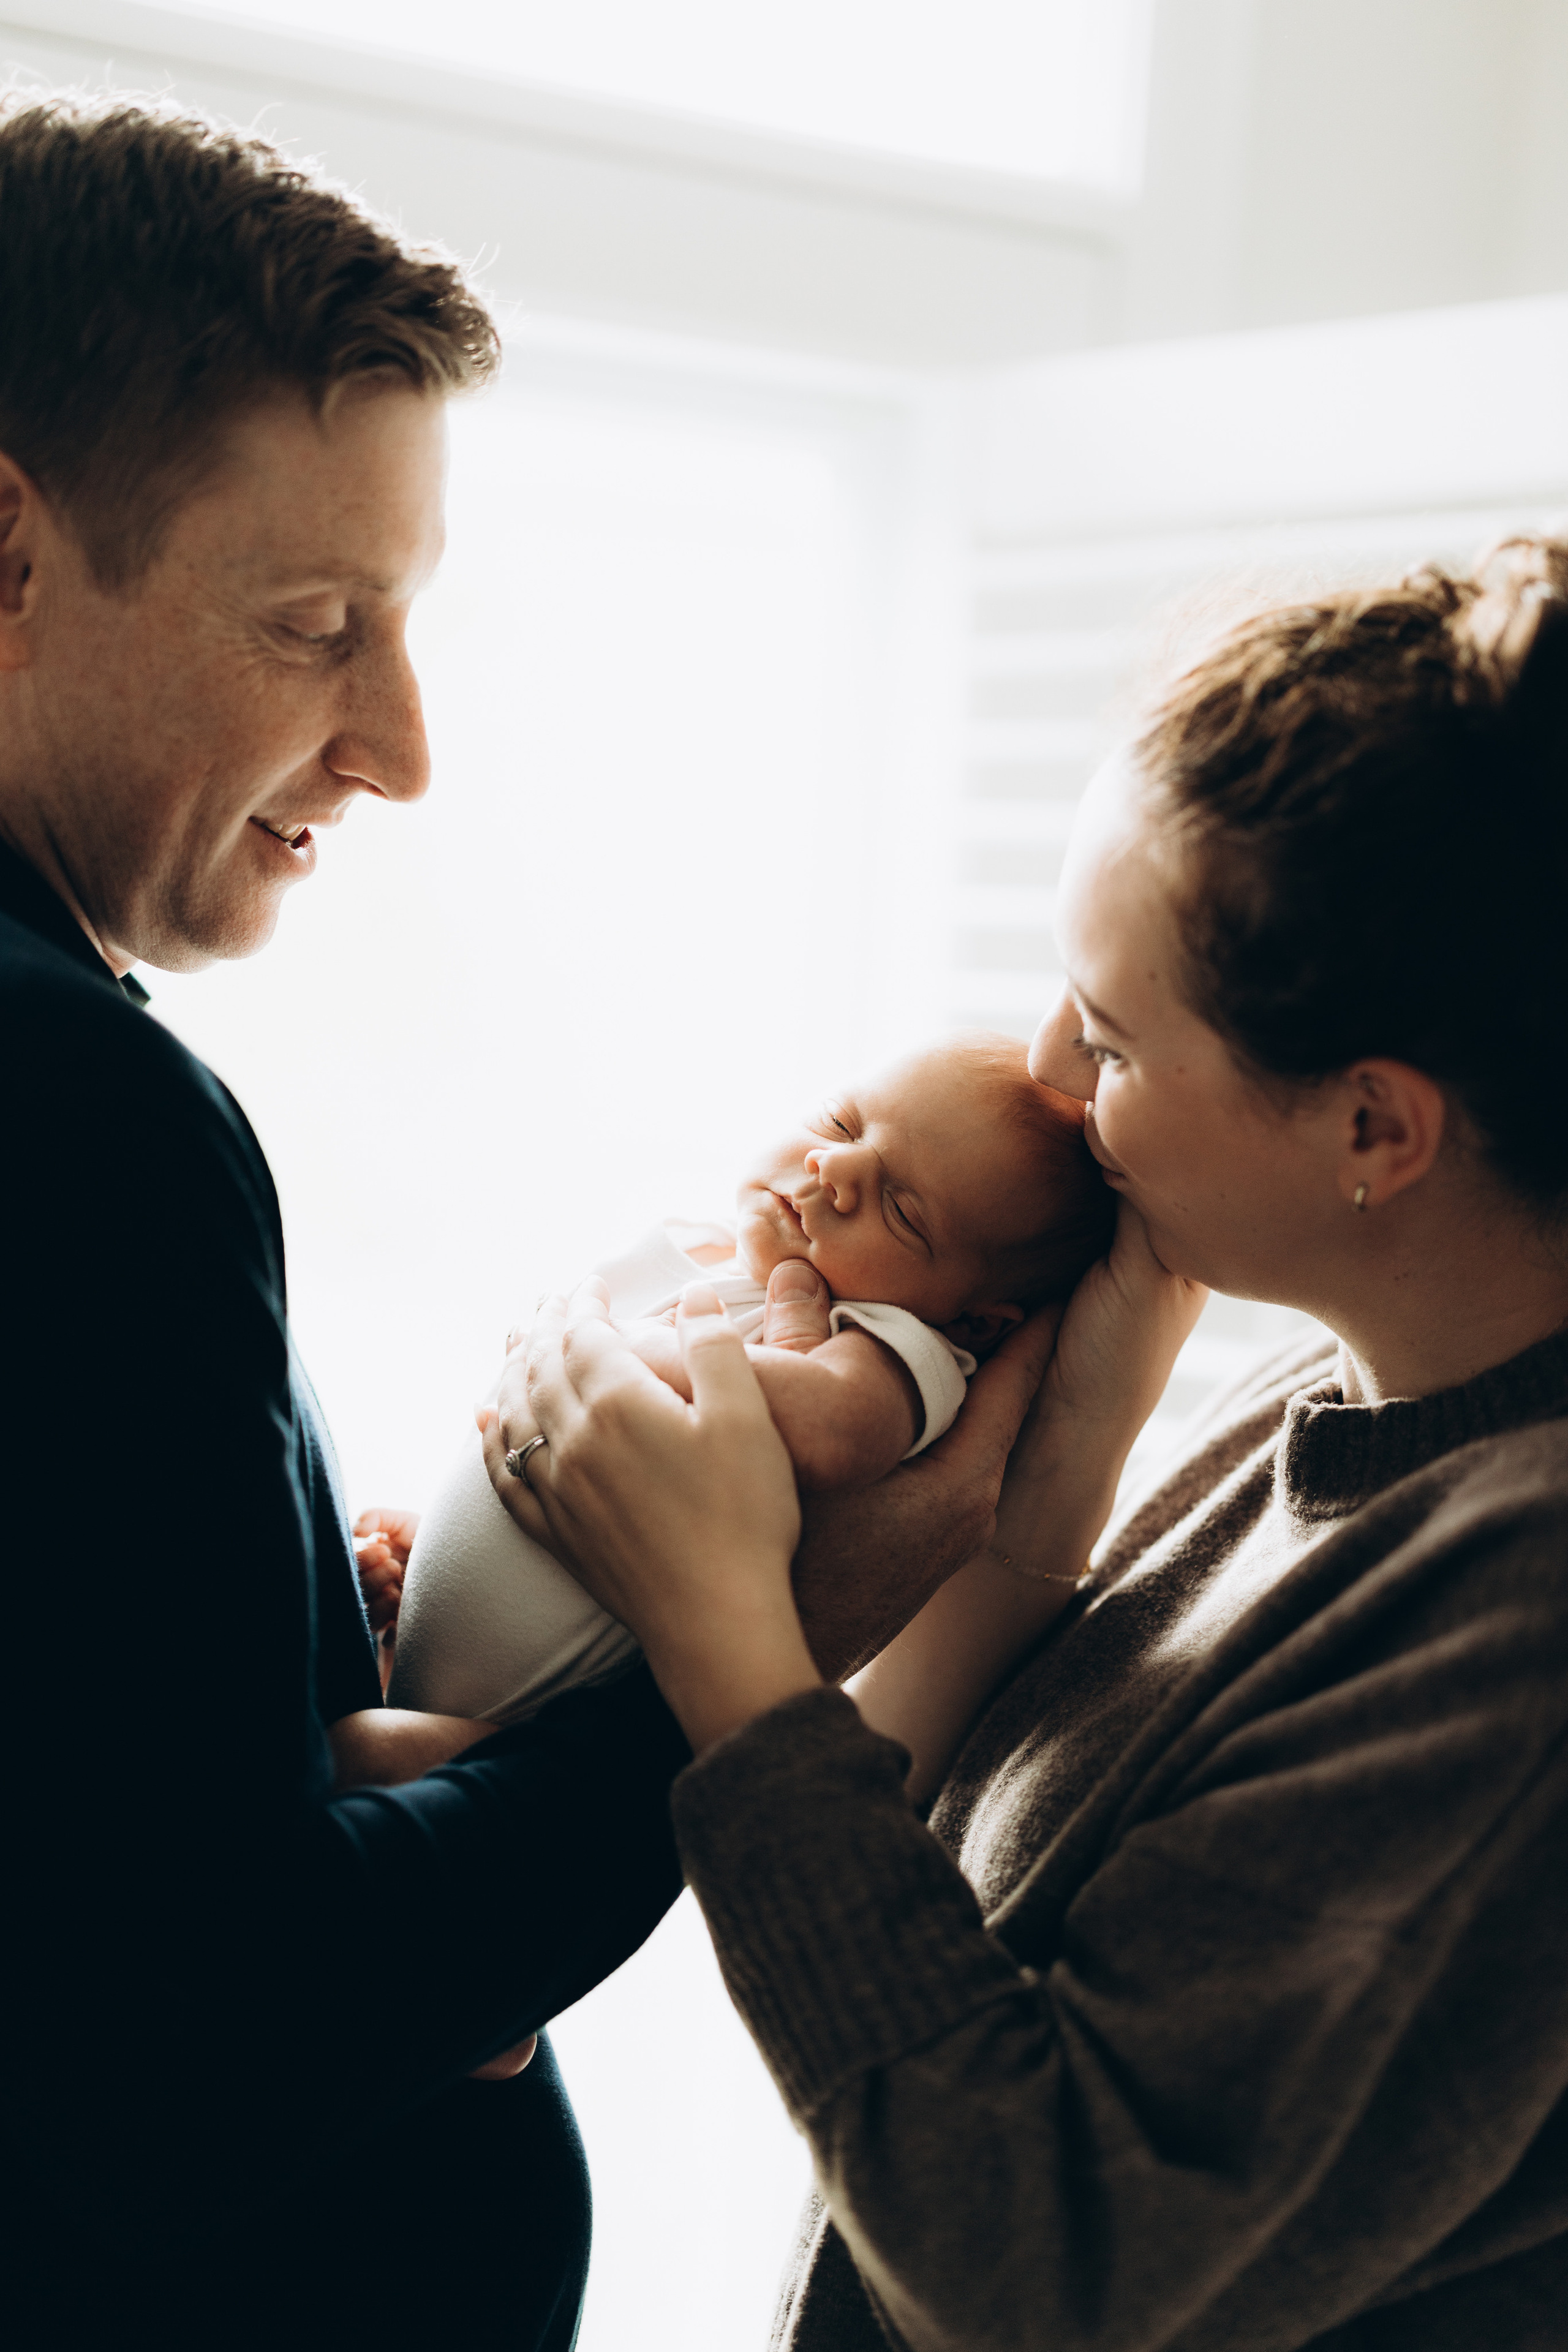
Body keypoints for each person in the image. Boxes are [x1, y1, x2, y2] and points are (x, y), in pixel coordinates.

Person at [1, 92, 1039, 2347]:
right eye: (314, 621)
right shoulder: (76, 1108)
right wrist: (720, 1655)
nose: (400, 740)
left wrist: (287, 1641)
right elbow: (177, 2068)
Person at [491, 540, 1568, 2347]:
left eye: (1120, 1033)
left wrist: (720, 1628)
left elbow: (1033, 2255)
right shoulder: (1320, 1412)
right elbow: (934, 1858)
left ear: (1372, 1126)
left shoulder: (1518, 1612)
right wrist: (1066, 1443)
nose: (1055, 1077)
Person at [385, 1037, 1112, 1727]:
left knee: (360, 1758)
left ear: (976, 1322)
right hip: (426, 1646)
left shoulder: (890, 1342)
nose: (835, 1166)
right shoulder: (702, 1251)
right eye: (840, 1121)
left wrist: (601, 1347)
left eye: (901, 1208)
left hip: (527, 1736)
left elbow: (827, 1432)